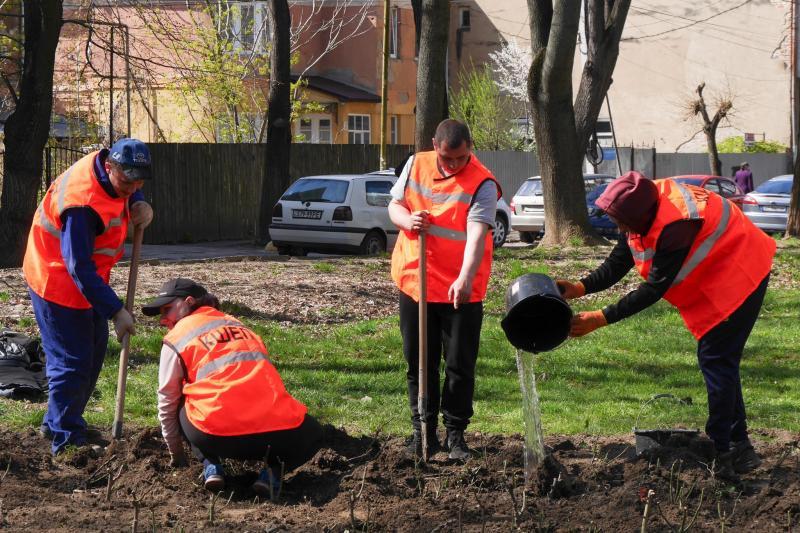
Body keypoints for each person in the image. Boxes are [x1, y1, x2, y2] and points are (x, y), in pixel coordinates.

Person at [558, 171, 775, 477]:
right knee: (720, 361)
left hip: (741, 271)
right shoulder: (639, 205)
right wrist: (581, 287)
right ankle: (739, 448)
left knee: (716, 359)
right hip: (718, 272)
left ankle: (724, 452)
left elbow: (653, 289)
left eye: (622, 222)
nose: (619, 228)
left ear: (639, 216)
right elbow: (621, 259)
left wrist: (600, 317)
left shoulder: (676, 225)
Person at [23, 138, 154, 455]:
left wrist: (139, 202)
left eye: (140, 180)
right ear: (110, 166)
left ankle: (58, 421)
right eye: (127, 181)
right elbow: (78, 267)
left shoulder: (114, 168)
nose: (132, 186)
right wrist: (116, 310)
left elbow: (130, 186)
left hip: (89, 281)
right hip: (57, 280)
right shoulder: (82, 206)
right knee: (72, 362)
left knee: (93, 353)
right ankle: (66, 441)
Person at [142, 278, 323, 494]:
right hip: (274, 435)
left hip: (215, 435)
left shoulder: (177, 338)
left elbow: (166, 401)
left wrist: (177, 454)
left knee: (181, 396)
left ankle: (211, 466)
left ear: (188, 302)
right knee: (315, 433)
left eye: (167, 310)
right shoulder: (240, 326)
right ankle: (272, 474)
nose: (163, 320)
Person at [388, 119, 501, 460]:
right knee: (418, 362)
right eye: (448, 158)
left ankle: (455, 435)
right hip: (415, 281)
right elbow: (395, 205)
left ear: (470, 148)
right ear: (436, 146)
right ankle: (422, 431)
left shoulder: (482, 181)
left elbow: (477, 233)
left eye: (461, 158)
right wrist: (407, 221)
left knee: (459, 363)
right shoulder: (415, 163)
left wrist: (465, 278)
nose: (454, 165)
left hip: (459, 289)